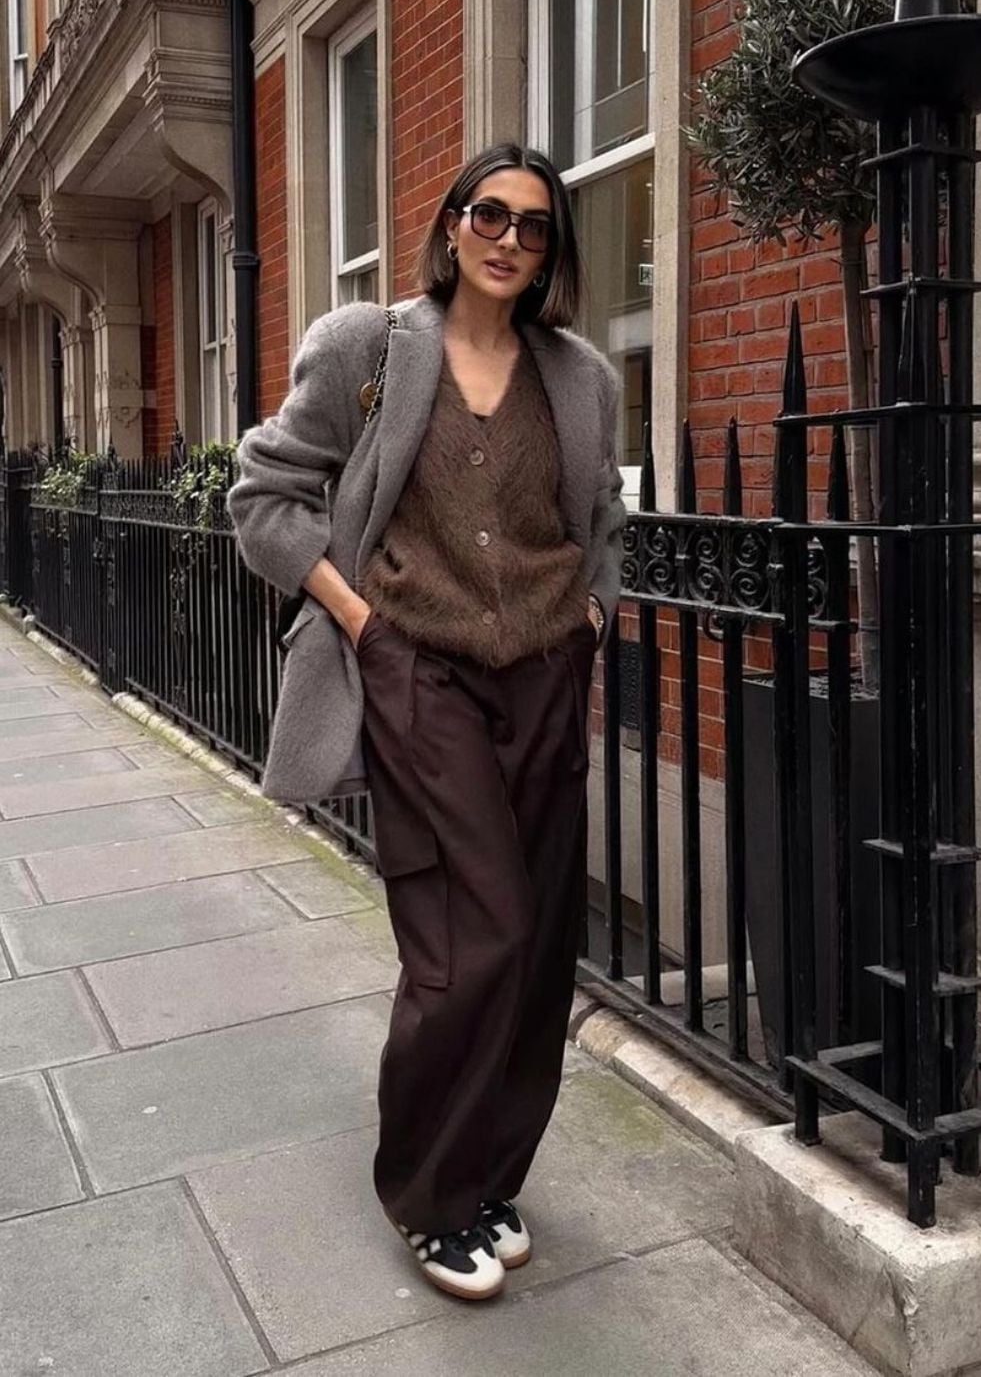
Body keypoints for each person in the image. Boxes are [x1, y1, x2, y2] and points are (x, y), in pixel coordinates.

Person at [228, 142, 625, 1302]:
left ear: (554, 249)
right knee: (470, 940)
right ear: (451, 225)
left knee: (541, 942)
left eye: (535, 226)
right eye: (488, 215)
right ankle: (426, 1192)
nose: (509, 240)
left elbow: (600, 515)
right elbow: (262, 494)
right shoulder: (368, 348)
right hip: (420, 673)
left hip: (548, 674)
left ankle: (493, 1176)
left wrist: (594, 616)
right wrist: (363, 625)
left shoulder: (581, 376)